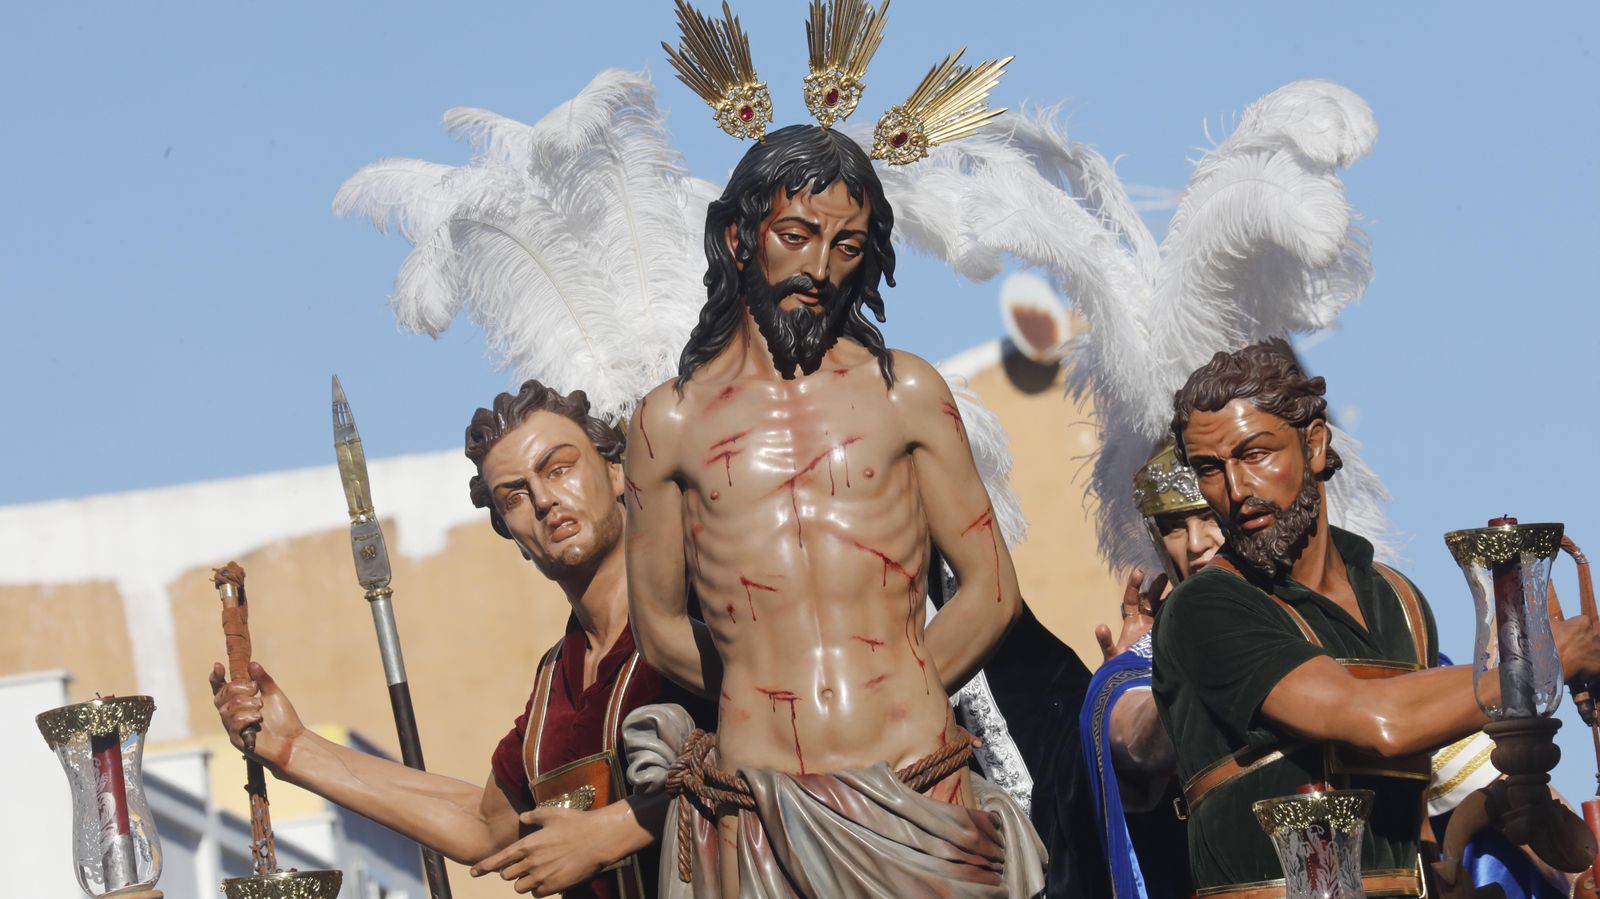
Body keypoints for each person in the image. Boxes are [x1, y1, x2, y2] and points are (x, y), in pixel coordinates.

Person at [620, 117, 1046, 895]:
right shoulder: (667, 423)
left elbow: (991, 590)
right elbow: (657, 629)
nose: (818, 266)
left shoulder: (905, 393)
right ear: (739, 236)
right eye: (796, 233)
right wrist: (760, 686)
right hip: (763, 813)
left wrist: (900, 682)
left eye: (846, 246)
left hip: (917, 793)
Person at [212, 381, 707, 898]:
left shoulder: (710, 611)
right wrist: (295, 749)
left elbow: (783, 754)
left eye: (559, 468)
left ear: (617, 470)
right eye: (513, 496)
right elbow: (483, 824)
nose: (542, 499)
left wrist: (612, 833)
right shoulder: (557, 679)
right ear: (509, 534)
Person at [1151, 343, 1600, 897]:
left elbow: (1407, 814)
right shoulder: (1206, 608)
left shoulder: (1400, 602)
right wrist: (1536, 661)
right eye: (1210, 470)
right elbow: (1376, 721)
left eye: (1256, 454)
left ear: (1314, 444)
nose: (1237, 490)